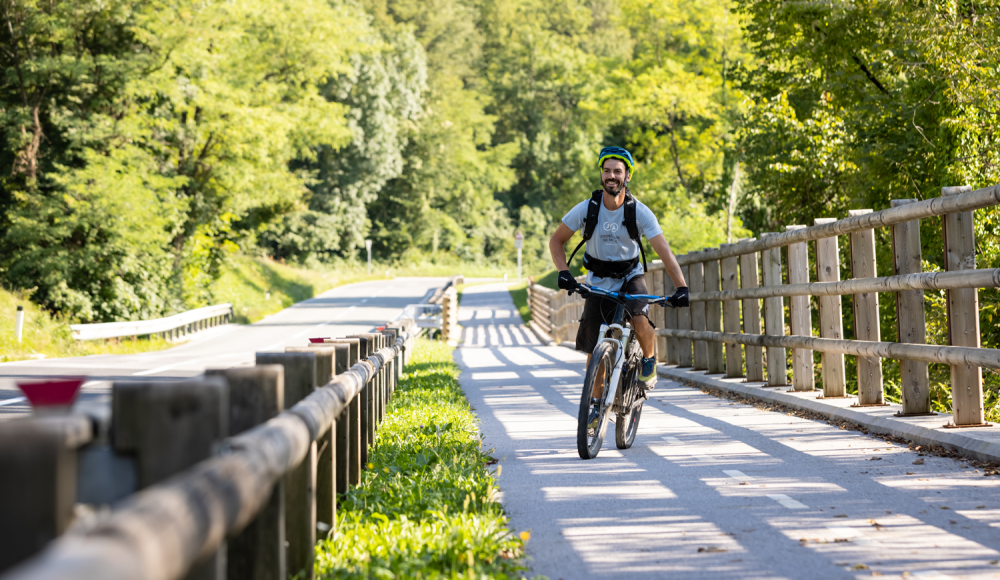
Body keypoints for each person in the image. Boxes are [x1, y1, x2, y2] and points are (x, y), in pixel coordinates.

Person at [548, 146, 689, 427]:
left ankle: (648, 361)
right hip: (597, 281)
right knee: (594, 350)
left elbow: (665, 252)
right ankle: (596, 406)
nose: (611, 176)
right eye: (607, 170)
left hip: (630, 276)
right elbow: (556, 240)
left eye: (617, 171)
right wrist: (563, 272)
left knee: (640, 318)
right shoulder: (588, 209)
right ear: (601, 174)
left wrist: (682, 286)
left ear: (627, 177)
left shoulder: (639, 212)